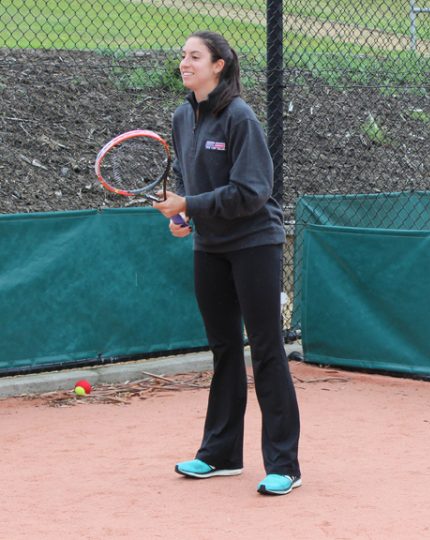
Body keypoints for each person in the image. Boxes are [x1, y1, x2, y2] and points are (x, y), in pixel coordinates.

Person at [152, 30, 302, 496]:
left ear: (218, 65)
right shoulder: (182, 117)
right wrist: (183, 216)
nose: (184, 62)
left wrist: (191, 204)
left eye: (195, 56)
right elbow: (188, 181)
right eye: (183, 55)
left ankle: (284, 465)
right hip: (211, 245)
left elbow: (253, 190)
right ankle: (220, 455)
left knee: (267, 348)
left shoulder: (240, 117)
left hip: (255, 242)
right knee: (223, 348)